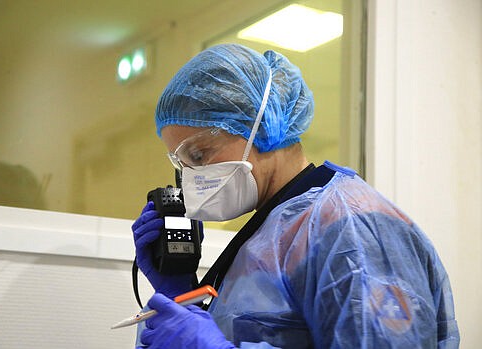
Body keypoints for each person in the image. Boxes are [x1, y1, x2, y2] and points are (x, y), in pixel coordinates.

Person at [132, 44, 459, 348]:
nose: (191, 177)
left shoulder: (352, 229)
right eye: (182, 164)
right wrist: (180, 290)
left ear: (259, 128)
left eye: (199, 155)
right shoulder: (273, 230)